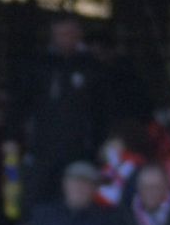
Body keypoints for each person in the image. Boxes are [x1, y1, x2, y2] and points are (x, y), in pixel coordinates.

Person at [11, 13, 105, 209]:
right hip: (41, 149)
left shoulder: (92, 66)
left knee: (76, 199)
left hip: (79, 150)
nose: (65, 39)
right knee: (36, 199)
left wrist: (101, 144)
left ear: (79, 34)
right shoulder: (38, 65)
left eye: (70, 33)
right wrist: (11, 138)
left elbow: (102, 111)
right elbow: (19, 104)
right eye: (60, 34)